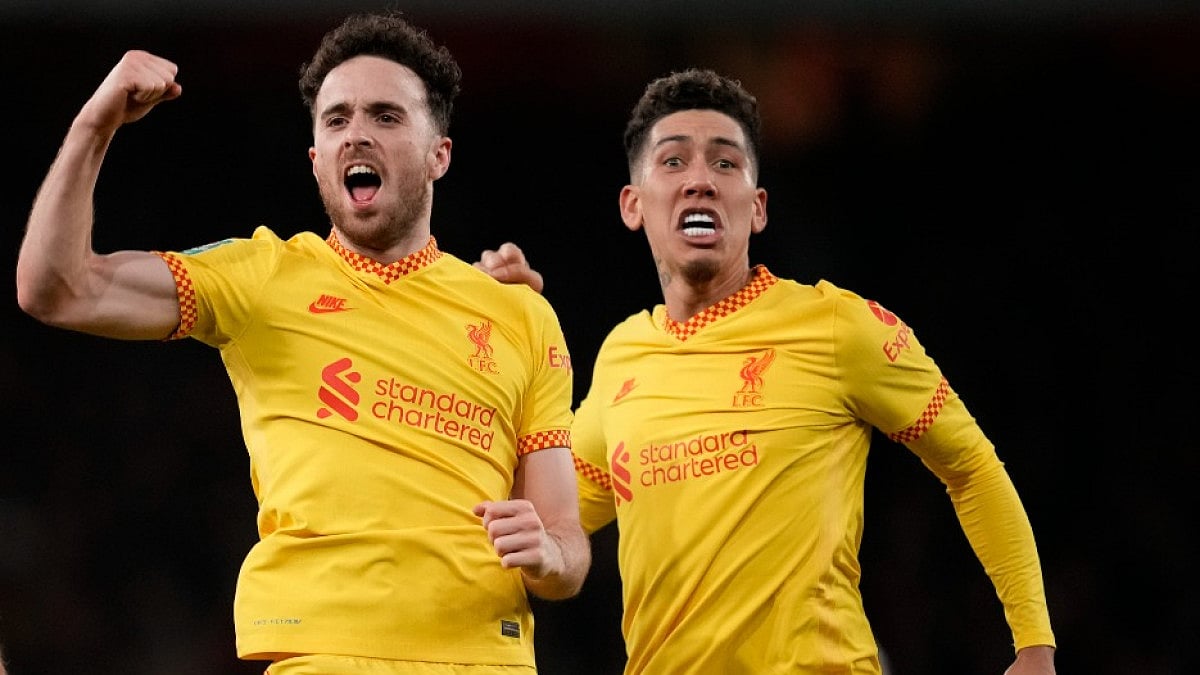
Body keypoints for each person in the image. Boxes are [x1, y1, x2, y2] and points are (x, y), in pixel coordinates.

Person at [16, 10, 589, 675]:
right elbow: (57, 289)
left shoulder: (521, 315)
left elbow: (568, 541)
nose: (356, 135)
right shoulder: (263, 277)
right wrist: (96, 125)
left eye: (386, 116)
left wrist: (549, 554)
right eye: (337, 120)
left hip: (487, 658)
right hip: (320, 653)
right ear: (316, 159)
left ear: (441, 154)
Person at [476, 68, 1056, 674]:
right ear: (633, 204)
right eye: (673, 163)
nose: (700, 180)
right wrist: (504, 346)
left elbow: (969, 465)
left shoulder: (838, 327)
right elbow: (540, 528)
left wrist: (1034, 643)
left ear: (756, 210)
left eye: (725, 164)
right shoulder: (623, 353)